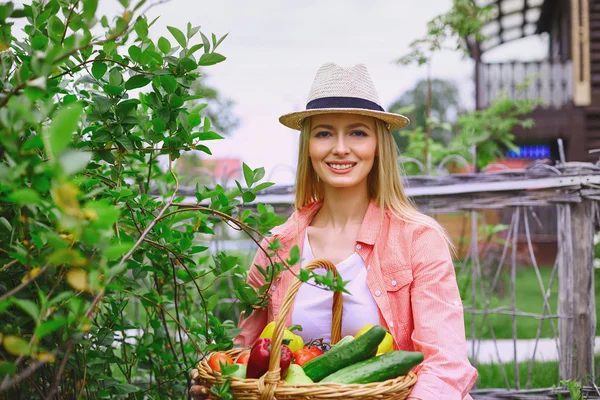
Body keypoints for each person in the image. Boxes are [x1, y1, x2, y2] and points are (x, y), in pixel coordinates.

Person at [191, 62, 478, 399]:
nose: (340, 147)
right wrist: (216, 382)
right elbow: (244, 351)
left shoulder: (417, 240)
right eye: (324, 132)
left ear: (377, 145)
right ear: (308, 146)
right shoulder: (278, 245)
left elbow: (445, 364)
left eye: (358, 132)